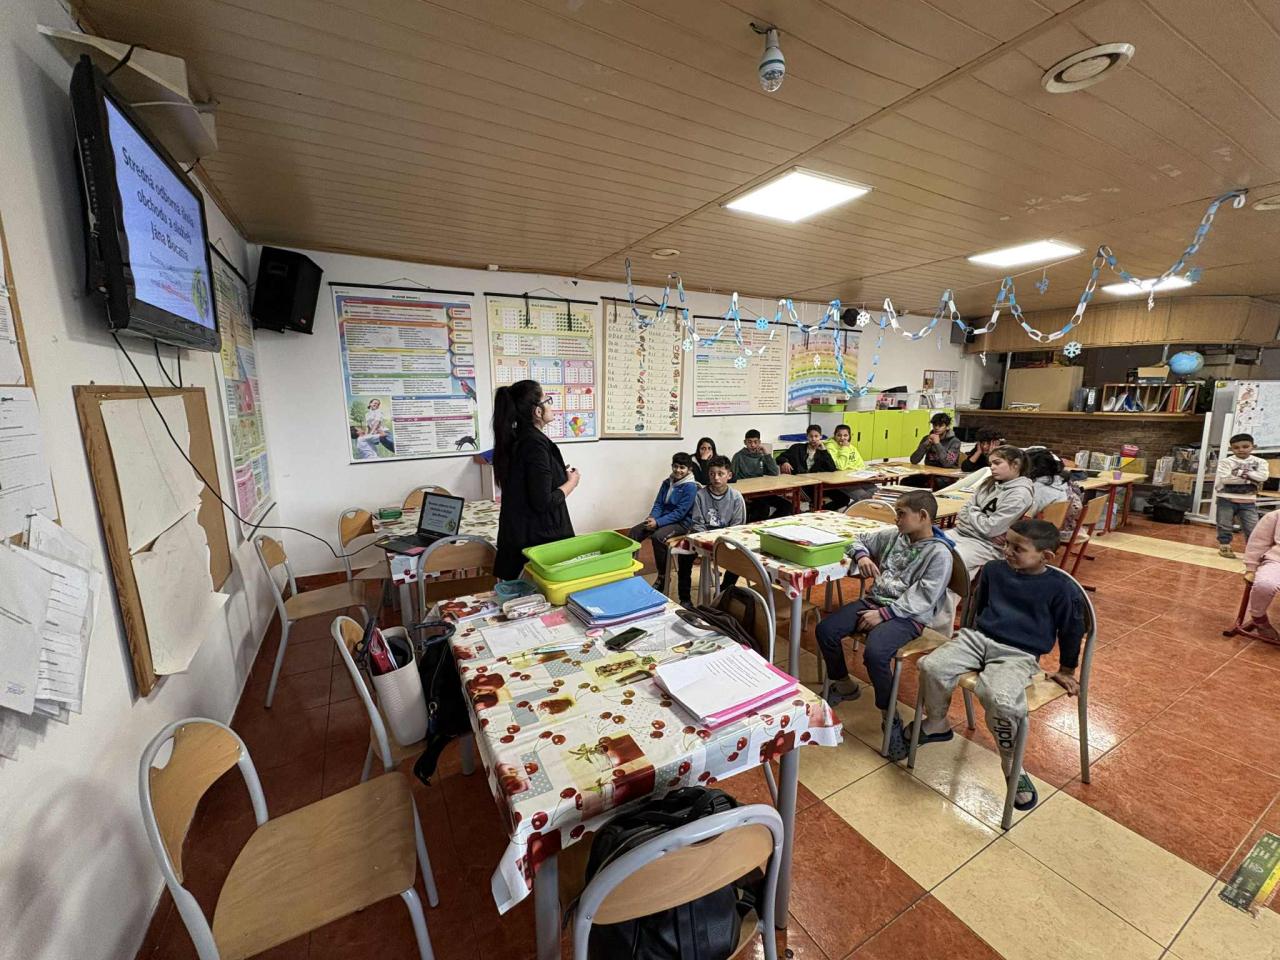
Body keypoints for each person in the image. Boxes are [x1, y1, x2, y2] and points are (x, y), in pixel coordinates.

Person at [912, 519, 1084, 812]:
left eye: (1018, 549)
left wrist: (1067, 669)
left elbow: (1072, 629)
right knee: (931, 666)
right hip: (977, 639)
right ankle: (937, 722)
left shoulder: (1061, 588)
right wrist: (966, 635)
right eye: (1006, 544)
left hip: (1019, 653)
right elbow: (978, 607)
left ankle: (1011, 762)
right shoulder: (993, 570)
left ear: (1046, 556)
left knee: (1000, 700)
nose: (1007, 551)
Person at [817, 490, 954, 760]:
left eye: (901, 514)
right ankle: (844, 684)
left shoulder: (939, 554)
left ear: (923, 516)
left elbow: (924, 597)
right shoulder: (895, 536)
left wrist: (886, 614)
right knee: (826, 630)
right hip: (875, 602)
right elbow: (856, 538)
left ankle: (889, 715)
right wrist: (862, 556)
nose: (896, 519)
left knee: (876, 654)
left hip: (908, 616)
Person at [492, 379, 578, 580]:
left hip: (521, 534)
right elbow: (543, 502)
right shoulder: (534, 444)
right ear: (537, 411)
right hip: (538, 541)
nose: (551, 405)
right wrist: (571, 483)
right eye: (547, 400)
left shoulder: (518, 438)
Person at [952, 445, 1034, 578]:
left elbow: (990, 528)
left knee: (949, 560)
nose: (992, 467)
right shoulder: (988, 482)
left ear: (1015, 464)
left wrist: (972, 511)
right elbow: (962, 512)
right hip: (961, 533)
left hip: (986, 545)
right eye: (991, 464)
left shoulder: (1020, 494)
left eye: (997, 463)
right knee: (926, 546)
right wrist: (978, 520)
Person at [677, 455, 746, 606]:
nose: (716, 478)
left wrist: (720, 543)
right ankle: (685, 598)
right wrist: (708, 543)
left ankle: (723, 591)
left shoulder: (736, 497)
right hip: (701, 536)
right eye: (712, 474)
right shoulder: (700, 495)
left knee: (740, 557)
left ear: (729, 475)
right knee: (683, 555)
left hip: (726, 538)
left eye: (720, 474)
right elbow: (697, 523)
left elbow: (737, 526)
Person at [628, 452, 698, 594]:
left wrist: (658, 522)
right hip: (662, 519)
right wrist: (652, 517)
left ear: (689, 469)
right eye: (675, 466)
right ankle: (628, 570)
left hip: (681, 523)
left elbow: (680, 513)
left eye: (682, 467)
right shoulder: (667, 482)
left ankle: (663, 576)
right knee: (634, 532)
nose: (678, 470)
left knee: (658, 537)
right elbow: (659, 504)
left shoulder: (691, 487)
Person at [1215, 433, 1269, 558]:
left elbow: (1263, 477)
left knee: (1252, 526)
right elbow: (1226, 479)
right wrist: (1251, 478)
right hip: (1226, 498)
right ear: (1231, 449)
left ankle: (1253, 551)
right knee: (1224, 524)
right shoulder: (1226, 462)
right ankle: (1225, 546)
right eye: (1236, 447)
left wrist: (1238, 473)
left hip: (1249, 500)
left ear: (1253, 447)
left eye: (1245, 446)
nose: (1241, 450)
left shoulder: (1260, 462)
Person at [778, 424, 849, 510]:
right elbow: (780, 457)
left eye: (816, 436)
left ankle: (820, 511)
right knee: (816, 497)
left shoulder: (822, 452)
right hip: (801, 484)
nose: (813, 439)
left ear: (820, 437)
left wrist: (824, 451)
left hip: (818, 484)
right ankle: (816, 510)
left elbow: (832, 468)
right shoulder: (797, 448)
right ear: (807, 437)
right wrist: (784, 462)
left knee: (844, 498)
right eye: (811, 436)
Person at [731, 429, 792, 522]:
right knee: (763, 508)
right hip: (748, 494)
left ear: (759, 442)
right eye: (749, 442)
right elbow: (732, 477)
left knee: (787, 506)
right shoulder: (738, 456)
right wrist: (742, 495)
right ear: (745, 442)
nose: (753, 445)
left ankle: (769, 524)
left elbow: (774, 472)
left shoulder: (762, 456)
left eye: (755, 442)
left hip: (762, 492)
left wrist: (766, 454)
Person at [1244, 510, 1280, 643]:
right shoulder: (1275, 516)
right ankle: (1259, 618)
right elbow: (1257, 543)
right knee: (1265, 584)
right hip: (1277, 561)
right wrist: (1251, 568)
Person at [825, 424, 875, 505]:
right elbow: (840, 466)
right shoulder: (830, 447)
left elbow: (861, 465)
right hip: (843, 480)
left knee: (877, 493)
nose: (842, 438)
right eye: (839, 435)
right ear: (834, 435)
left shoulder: (851, 447)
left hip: (856, 478)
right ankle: (850, 512)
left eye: (845, 435)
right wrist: (844, 448)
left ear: (849, 436)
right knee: (864, 498)